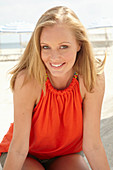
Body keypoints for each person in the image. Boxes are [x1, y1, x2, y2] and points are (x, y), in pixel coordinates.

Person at [0, 6, 110, 170]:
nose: (54, 57)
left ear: (79, 44)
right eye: (46, 47)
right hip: (26, 154)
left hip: (66, 154)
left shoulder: (92, 78)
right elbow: (18, 149)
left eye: (64, 46)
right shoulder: (28, 80)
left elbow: (92, 145)